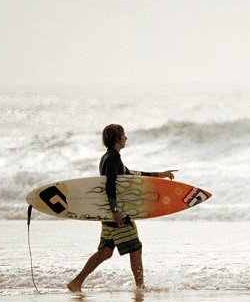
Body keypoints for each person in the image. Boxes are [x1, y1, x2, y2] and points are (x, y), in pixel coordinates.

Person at [67, 124, 176, 292]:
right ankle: (140, 287)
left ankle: (77, 282)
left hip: (107, 212)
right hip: (116, 212)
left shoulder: (109, 157)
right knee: (135, 247)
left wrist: (158, 175)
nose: (126, 138)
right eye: (124, 135)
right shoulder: (112, 158)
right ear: (117, 139)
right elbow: (110, 185)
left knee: (105, 251)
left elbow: (129, 174)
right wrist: (115, 210)